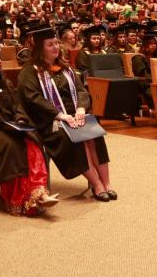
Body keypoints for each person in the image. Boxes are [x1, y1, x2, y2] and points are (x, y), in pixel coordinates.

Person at [17, 27, 115, 201]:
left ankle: (107, 183)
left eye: (56, 43)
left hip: (74, 115)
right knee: (74, 137)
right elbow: (33, 99)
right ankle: (96, 184)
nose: (55, 47)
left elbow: (81, 91)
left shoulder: (66, 68)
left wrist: (81, 109)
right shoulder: (30, 71)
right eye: (50, 45)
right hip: (49, 122)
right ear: (40, 48)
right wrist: (60, 115)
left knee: (94, 133)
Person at [0, 43, 57, 216]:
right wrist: (2, 123)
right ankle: (19, 199)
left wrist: (20, 118)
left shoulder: (4, 82)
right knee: (12, 147)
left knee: (32, 140)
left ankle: (38, 193)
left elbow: (17, 105)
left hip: (8, 127)